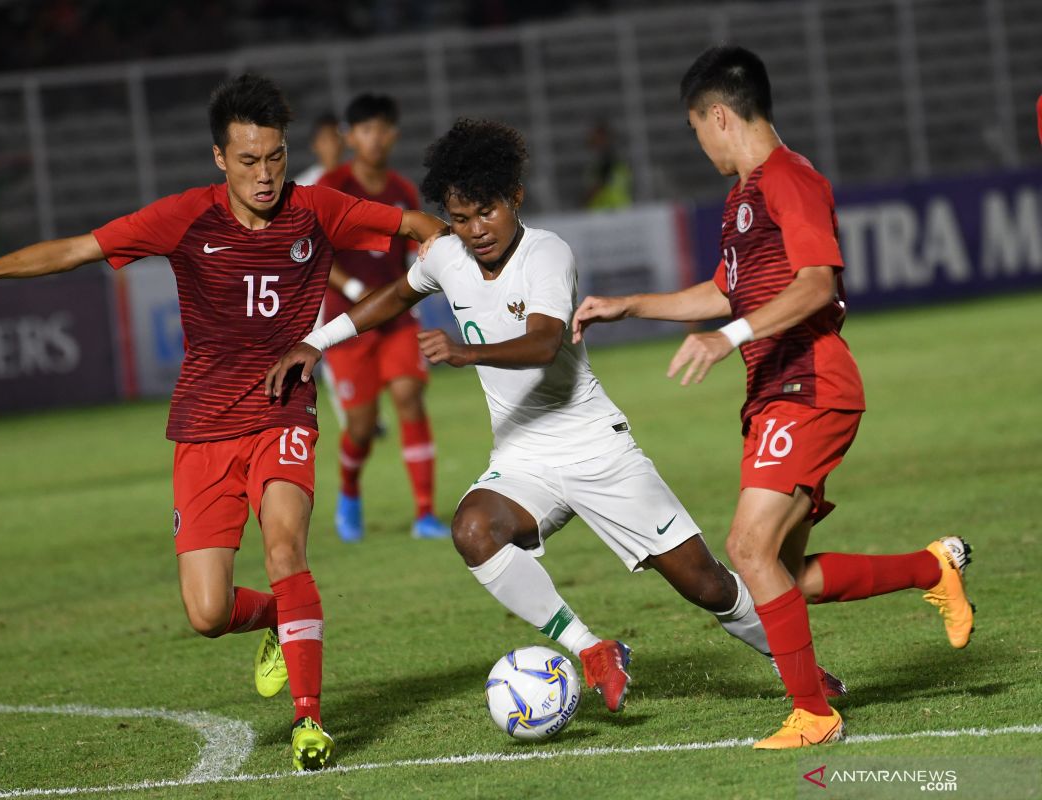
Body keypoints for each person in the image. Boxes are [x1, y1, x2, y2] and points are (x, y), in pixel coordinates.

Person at [0, 73, 447, 771]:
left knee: (286, 551)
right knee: (208, 614)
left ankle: (311, 722)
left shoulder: (317, 209)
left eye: (275, 157)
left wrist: (444, 253)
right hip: (202, 428)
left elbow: (415, 226)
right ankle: (282, 617)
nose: (265, 174)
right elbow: (75, 250)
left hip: (283, 410)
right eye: (248, 161)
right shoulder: (186, 216)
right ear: (220, 159)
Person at [266, 118, 844, 713]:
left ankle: (797, 668)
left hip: (598, 447)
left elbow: (543, 344)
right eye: (460, 219)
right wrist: (319, 340)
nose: (474, 231)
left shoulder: (547, 253)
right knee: (473, 531)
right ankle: (592, 650)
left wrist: (469, 353)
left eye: (485, 212)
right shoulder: (447, 256)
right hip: (524, 458)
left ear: (514, 198)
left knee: (708, 584)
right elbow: (397, 295)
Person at [572, 46, 974, 749]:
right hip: (774, 393)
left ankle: (814, 715)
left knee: (746, 546)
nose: (698, 143)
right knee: (785, 574)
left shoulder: (791, 179)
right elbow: (728, 289)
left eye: (696, 128)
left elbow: (818, 283)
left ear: (718, 115)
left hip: (809, 384)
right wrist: (629, 306)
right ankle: (931, 568)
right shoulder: (743, 197)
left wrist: (725, 339)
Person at [316, 94, 447, 542]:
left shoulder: (402, 191)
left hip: (395, 317)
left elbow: (419, 248)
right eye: (365, 130)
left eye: (382, 129)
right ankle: (349, 492)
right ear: (350, 137)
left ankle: (425, 514)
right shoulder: (329, 186)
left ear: (393, 134)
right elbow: (312, 252)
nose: (375, 138)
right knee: (361, 427)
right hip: (346, 324)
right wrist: (354, 289)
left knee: (410, 395)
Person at [292, 111, 343, 187]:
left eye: (335, 137)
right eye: (325, 139)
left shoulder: (356, 177)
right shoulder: (302, 185)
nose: (332, 144)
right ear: (314, 145)